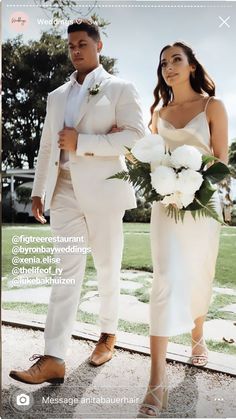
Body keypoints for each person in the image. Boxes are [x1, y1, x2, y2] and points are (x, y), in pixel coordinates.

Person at [9, 18, 144, 385]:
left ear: (99, 46)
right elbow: (49, 146)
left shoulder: (119, 88)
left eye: (82, 44)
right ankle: (53, 357)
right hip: (63, 192)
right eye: (71, 45)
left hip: (104, 191)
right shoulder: (56, 96)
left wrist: (84, 142)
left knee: (106, 266)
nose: (75, 50)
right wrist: (39, 191)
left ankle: (107, 334)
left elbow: (136, 139)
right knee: (66, 271)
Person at [138, 42, 228, 417]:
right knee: (164, 281)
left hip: (203, 206)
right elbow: (149, 159)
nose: (169, 67)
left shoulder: (213, 107)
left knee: (199, 277)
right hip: (165, 207)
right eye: (163, 62)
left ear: (192, 66)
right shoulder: (158, 113)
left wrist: (193, 182)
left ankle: (197, 335)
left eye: (177, 59)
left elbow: (222, 162)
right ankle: (156, 384)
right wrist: (164, 185)